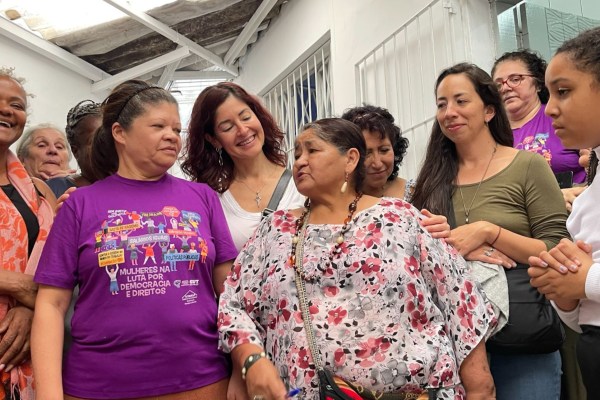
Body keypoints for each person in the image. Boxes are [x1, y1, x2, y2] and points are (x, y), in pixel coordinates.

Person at [218, 118, 497, 400]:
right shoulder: (275, 230)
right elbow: (233, 304)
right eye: (297, 153)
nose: (300, 161)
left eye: (312, 150)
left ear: (350, 159)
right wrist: (251, 362)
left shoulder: (400, 218)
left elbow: (460, 301)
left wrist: (480, 388)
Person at [31, 80, 238, 399]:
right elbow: (51, 303)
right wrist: (48, 395)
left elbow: (229, 290)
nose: (172, 135)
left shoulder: (203, 197)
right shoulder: (79, 204)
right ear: (119, 133)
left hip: (202, 380)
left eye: (176, 128)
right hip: (98, 384)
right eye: (158, 125)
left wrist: (241, 366)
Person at [410, 62, 570, 400]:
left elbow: (557, 251)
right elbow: (412, 262)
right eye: (441, 104)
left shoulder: (527, 166)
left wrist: (489, 232)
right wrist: (453, 245)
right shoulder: (429, 181)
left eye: (460, 101)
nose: (449, 112)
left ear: (488, 110)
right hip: (452, 349)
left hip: (522, 340)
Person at [527, 26, 600, 399]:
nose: (550, 108)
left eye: (564, 91)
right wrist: (565, 292)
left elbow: (591, 279)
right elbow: (584, 312)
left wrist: (586, 279)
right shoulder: (592, 184)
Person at [181, 82, 304, 251]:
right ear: (214, 139)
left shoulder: (301, 183)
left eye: (246, 117)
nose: (243, 130)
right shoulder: (213, 197)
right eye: (227, 127)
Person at [0, 67, 56, 399]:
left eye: (17, 104)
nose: (7, 110)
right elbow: (28, 283)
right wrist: (17, 285)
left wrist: (31, 308)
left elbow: (57, 266)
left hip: (25, 347)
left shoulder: (38, 191)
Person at [491, 50, 587, 211]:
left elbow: (594, 170)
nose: (505, 88)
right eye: (498, 84)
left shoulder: (561, 116)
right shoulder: (491, 134)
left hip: (575, 211)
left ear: (538, 83)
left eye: (515, 79)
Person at [341, 105, 450, 239]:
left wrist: (443, 231)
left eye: (384, 150)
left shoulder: (419, 193)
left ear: (395, 148)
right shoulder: (338, 200)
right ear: (350, 157)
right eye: (367, 153)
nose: (377, 163)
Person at [46, 100, 102, 197]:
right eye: (95, 142)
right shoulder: (56, 188)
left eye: (110, 140)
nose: (105, 147)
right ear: (76, 151)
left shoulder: (127, 187)